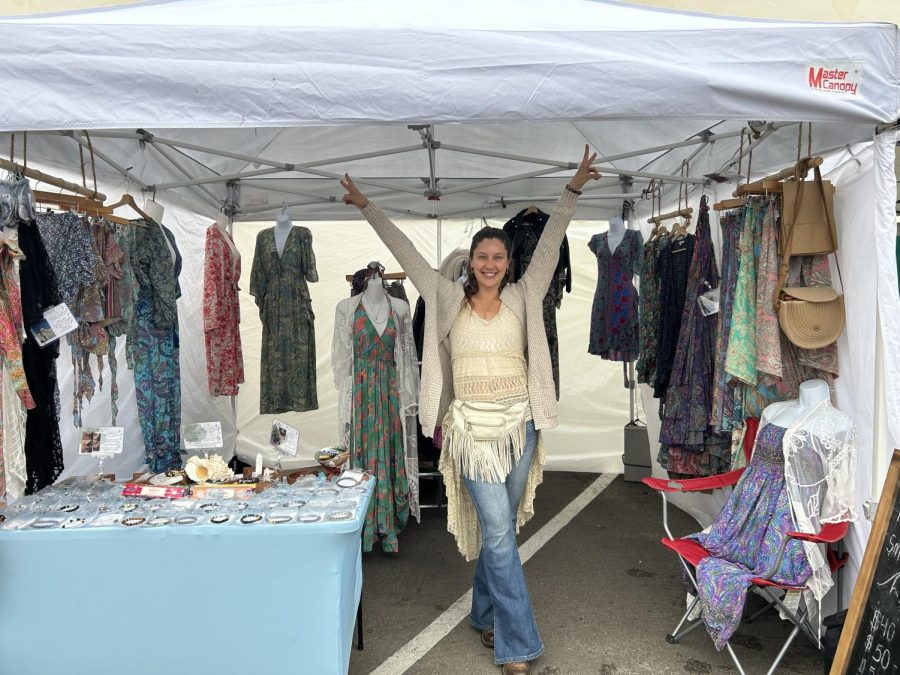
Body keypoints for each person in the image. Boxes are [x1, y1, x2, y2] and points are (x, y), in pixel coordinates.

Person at [341, 146, 599, 674]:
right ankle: (518, 643)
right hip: (471, 432)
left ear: (508, 264)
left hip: (519, 427)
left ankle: (482, 611)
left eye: (498, 257)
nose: (488, 265)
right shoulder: (441, 296)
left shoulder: (526, 296)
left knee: (500, 531)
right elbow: (406, 249)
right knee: (500, 533)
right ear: (471, 262)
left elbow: (550, 244)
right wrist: (367, 206)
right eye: (482, 257)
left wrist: (571, 191)